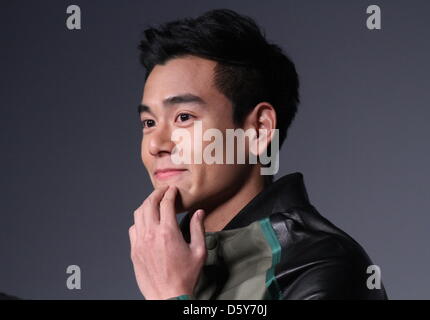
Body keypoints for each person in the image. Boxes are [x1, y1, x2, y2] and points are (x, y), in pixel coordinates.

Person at [128, 8, 388, 300]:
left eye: (184, 117)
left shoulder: (325, 267)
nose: (156, 144)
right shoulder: (170, 260)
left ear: (258, 129)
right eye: (149, 123)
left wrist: (170, 295)